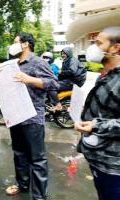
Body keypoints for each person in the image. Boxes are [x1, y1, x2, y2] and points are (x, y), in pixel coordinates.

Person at [0, 32, 59, 200]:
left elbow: (53, 83)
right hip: (16, 116)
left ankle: (39, 196)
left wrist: (29, 79)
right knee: (19, 153)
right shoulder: (13, 64)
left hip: (33, 117)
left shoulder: (38, 62)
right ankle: (22, 184)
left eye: (15, 42)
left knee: (37, 158)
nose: (12, 45)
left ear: (25, 44)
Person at [74, 26, 120, 200]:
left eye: (99, 43)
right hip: (98, 158)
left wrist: (95, 125)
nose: (94, 47)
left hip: (114, 166)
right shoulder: (106, 74)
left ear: (116, 48)